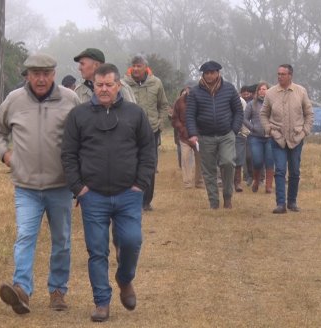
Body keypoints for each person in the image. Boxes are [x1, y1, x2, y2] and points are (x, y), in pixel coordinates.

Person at [61, 63, 155, 322]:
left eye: (109, 85)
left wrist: (140, 184)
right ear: (94, 86)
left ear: (118, 86)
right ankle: (102, 301)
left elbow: (148, 151)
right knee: (97, 250)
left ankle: (125, 279)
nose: (103, 89)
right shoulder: (79, 116)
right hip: (93, 196)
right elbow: (68, 155)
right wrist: (79, 188)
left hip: (128, 194)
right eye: (99, 85)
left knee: (132, 241)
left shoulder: (135, 114)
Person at [0, 53, 80, 314]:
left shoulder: (70, 99)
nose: (41, 79)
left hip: (60, 185)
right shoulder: (14, 100)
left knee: (61, 240)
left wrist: (79, 178)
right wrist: (5, 154)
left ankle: (58, 290)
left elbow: (82, 135)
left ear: (54, 74)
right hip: (26, 186)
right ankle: (22, 290)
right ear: (27, 76)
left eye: (46, 73)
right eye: (35, 74)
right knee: (25, 236)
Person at [185, 60, 244, 209]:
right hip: (205, 136)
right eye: (207, 73)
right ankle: (214, 202)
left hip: (226, 134)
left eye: (212, 73)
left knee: (228, 162)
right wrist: (192, 134)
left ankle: (228, 196)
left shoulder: (229, 89)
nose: (210, 76)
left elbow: (238, 111)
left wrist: (234, 129)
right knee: (209, 170)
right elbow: (190, 115)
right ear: (203, 75)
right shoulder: (195, 92)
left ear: (218, 73)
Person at [260, 64, 314, 214]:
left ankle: (292, 202)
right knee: (280, 170)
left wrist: (305, 130)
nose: (279, 76)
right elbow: (263, 114)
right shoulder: (270, 93)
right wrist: (269, 129)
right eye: (278, 74)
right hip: (277, 138)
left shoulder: (301, 91)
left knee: (295, 171)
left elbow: (309, 113)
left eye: (283, 74)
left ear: (290, 75)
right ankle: (280, 204)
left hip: (297, 138)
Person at [123, 54, 170, 211]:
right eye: (134, 66)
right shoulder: (123, 84)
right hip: (130, 132)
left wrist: (160, 124)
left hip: (151, 131)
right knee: (130, 165)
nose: (136, 69)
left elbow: (163, 106)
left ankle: (146, 201)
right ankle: (132, 200)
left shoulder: (156, 83)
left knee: (149, 165)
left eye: (139, 66)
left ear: (145, 67)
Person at [243, 81, 274, 193]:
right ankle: (256, 180)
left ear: (268, 91)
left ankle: (268, 186)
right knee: (257, 161)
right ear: (257, 91)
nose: (262, 91)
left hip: (270, 137)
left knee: (270, 161)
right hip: (255, 137)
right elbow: (244, 118)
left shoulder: (273, 103)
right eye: (260, 89)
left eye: (264, 89)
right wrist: (252, 127)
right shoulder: (252, 104)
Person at [171, 87, 203, 189]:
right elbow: (174, 119)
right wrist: (182, 129)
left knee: (200, 160)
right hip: (184, 137)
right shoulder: (179, 102)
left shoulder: (201, 101)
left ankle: (199, 182)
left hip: (199, 137)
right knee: (185, 160)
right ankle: (187, 183)